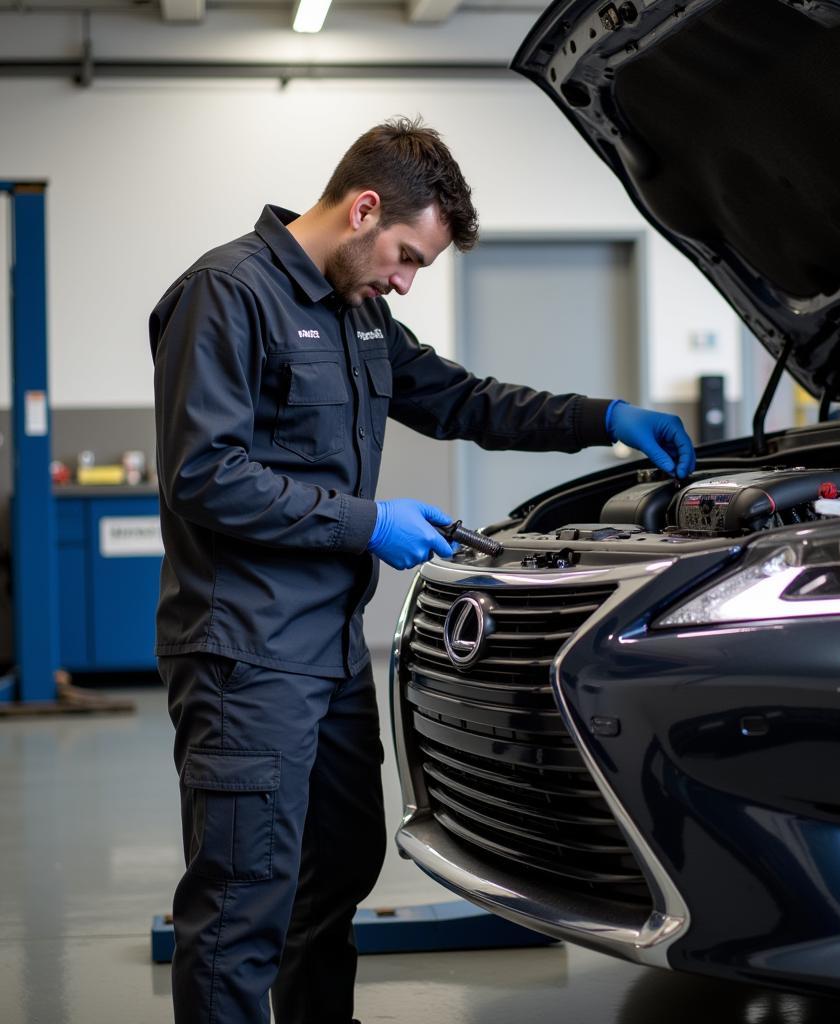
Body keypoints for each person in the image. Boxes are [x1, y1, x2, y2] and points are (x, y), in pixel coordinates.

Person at [150, 116, 695, 1024]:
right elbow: (204, 476)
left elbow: (463, 400)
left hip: (326, 652)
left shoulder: (361, 313)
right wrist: (370, 522)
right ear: (364, 208)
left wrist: (604, 417)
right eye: (406, 257)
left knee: (337, 867)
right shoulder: (226, 293)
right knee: (244, 897)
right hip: (243, 652)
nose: (403, 282)